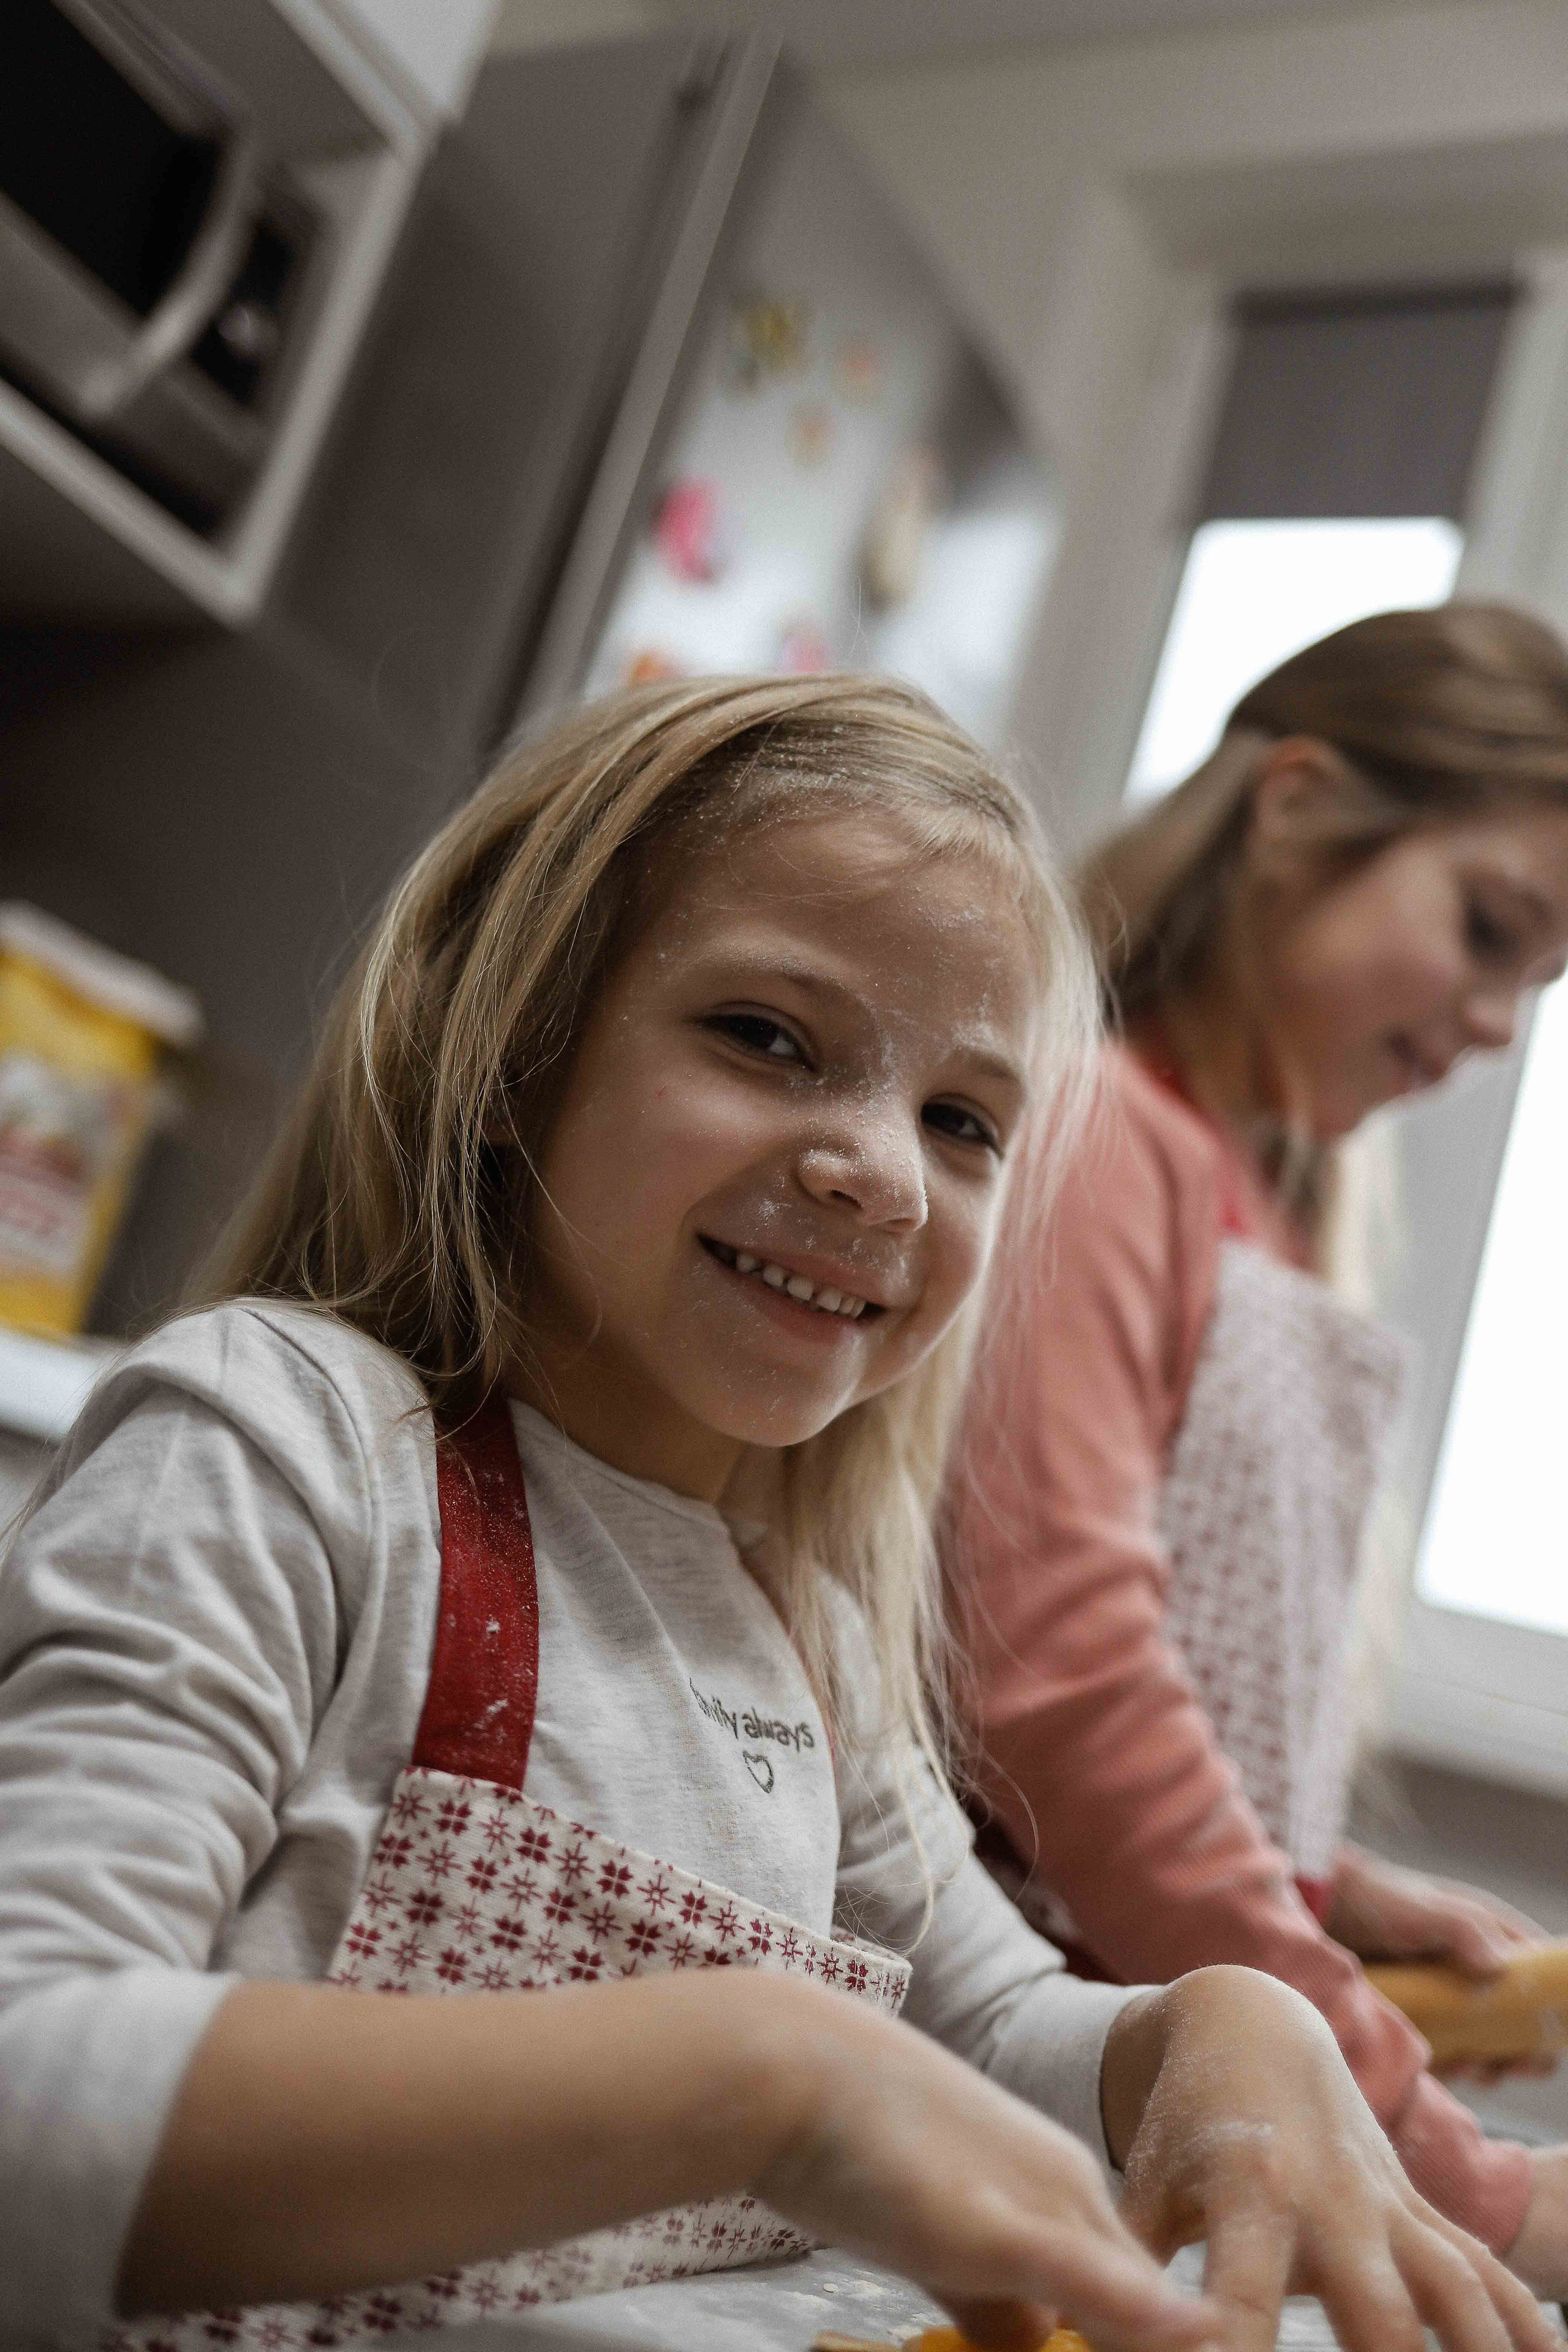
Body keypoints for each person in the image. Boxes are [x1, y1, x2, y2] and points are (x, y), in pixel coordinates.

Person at [0, 676, 1549, 2352]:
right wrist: (762, 2080)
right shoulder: (290, 1445)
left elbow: (995, 2022)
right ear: (506, 1039)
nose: (880, 1170)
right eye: (767, 1038)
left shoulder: (803, 1632)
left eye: (961, 1122)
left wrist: (1210, 2027)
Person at [945, 603, 1568, 2294]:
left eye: (1538, 985)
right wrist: (1451, 2169)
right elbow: (1062, 1701)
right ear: (1294, 807)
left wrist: (1318, 1886)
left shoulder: (1264, 1209)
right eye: (1489, 930)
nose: (1501, 1025)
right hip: (1017, 2061)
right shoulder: (1102, 1139)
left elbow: (1145, 1688)